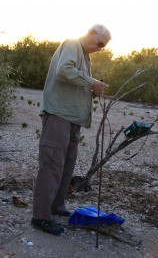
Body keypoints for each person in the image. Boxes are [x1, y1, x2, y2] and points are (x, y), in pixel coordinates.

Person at [32, 24, 111, 236]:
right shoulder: (73, 44)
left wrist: (93, 90)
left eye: (104, 47)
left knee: (66, 165)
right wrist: (91, 81)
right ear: (92, 33)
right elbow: (64, 70)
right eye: (100, 43)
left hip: (73, 119)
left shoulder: (85, 56)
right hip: (59, 115)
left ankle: (56, 207)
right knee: (51, 163)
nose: (101, 48)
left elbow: (75, 83)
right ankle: (40, 216)